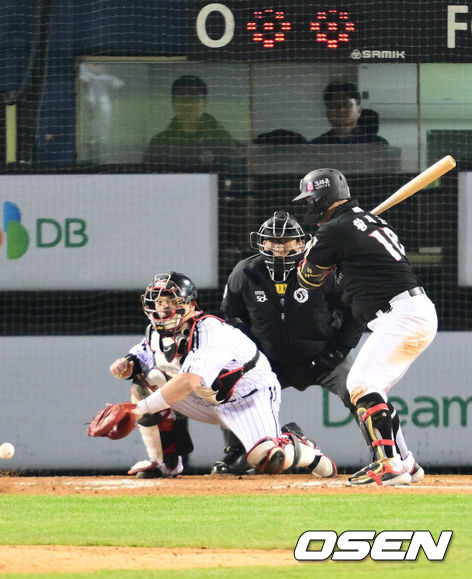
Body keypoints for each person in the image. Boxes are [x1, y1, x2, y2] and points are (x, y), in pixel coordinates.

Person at [108, 272, 337, 479]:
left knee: (269, 460)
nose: (164, 308)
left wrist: (137, 410)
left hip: (249, 398)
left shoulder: (209, 330)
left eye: (172, 302)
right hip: (209, 400)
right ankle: (165, 463)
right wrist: (127, 363)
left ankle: (302, 447)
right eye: (159, 303)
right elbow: (142, 354)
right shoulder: (157, 333)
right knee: (146, 383)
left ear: (189, 304)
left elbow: (188, 381)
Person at [293, 168, 436, 486]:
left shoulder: (334, 231)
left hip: (401, 314)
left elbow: (309, 279)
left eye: (310, 199)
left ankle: (389, 465)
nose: (308, 207)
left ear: (321, 198)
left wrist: (309, 254)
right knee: (373, 389)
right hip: (410, 311)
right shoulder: (367, 223)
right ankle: (406, 462)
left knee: (361, 384)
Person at [213, 210, 367, 475]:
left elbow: (355, 311)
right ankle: (236, 453)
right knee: (230, 388)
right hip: (267, 362)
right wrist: (252, 355)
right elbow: (231, 317)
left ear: (301, 242)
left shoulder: (323, 269)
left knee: (363, 391)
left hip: (324, 357)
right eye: (272, 241)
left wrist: (339, 350)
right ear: (260, 242)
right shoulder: (245, 272)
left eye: (286, 241)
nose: (279, 247)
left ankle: (385, 453)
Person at [142, 75, 242, 171]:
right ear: (173, 103)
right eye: (181, 99)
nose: (187, 104)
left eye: (193, 98)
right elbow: (146, 179)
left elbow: (236, 179)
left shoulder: (221, 140)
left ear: (205, 102)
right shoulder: (161, 142)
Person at [310, 81, 388, 145]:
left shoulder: (378, 145)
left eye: (347, 104)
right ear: (327, 112)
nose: (341, 109)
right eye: (334, 105)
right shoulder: (315, 146)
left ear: (359, 110)